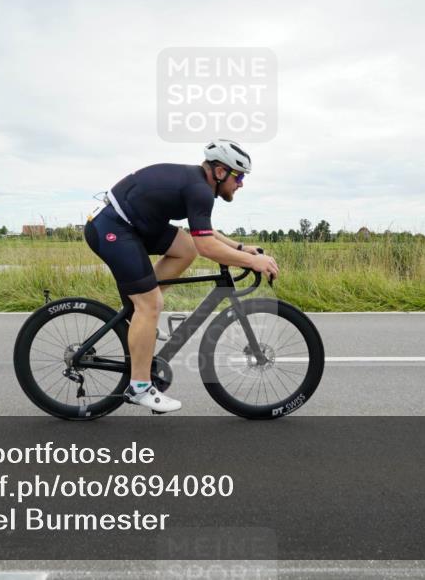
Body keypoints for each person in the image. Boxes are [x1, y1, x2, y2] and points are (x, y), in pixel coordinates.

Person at [84, 139, 280, 413]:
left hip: (133, 225)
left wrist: (239, 248)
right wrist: (252, 261)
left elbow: (203, 234)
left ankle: (141, 315)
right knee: (150, 304)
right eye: (239, 176)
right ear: (221, 171)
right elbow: (208, 247)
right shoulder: (198, 188)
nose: (241, 184)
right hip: (113, 227)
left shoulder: (199, 185)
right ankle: (139, 387)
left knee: (185, 248)